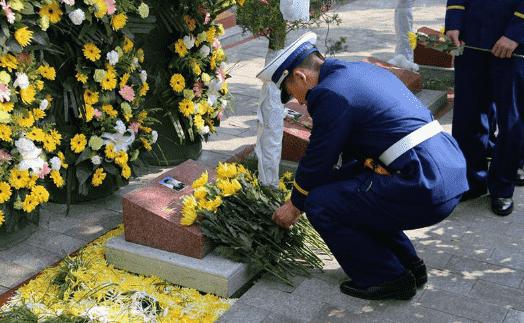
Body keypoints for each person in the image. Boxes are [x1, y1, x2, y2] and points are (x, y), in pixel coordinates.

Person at [256, 32, 468, 300]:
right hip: (445, 169)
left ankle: (388, 278)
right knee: (353, 193)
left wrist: (295, 204)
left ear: (300, 76)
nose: (298, 102)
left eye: (290, 93)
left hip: (424, 182)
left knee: (320, 203)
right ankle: (408, 264)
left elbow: (319, 159)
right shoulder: (360, 71)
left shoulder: (329, 93)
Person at [445, 0, 524, 216]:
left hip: (512, 44)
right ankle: (471, 181)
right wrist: (453, 21)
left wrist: (517, 32)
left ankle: (501, 187)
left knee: (511, 121)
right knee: (467, 116)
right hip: (470, 39)